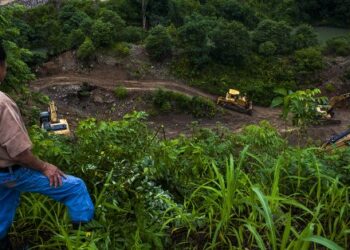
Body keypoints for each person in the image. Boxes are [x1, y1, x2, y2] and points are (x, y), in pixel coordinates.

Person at [0, 43, 94, 250]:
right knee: (75, 187)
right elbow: (19, 153)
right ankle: (82, 240)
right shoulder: (2, 103)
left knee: (3, 207)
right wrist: (45, 167)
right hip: (9, 172)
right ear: (1, 67)